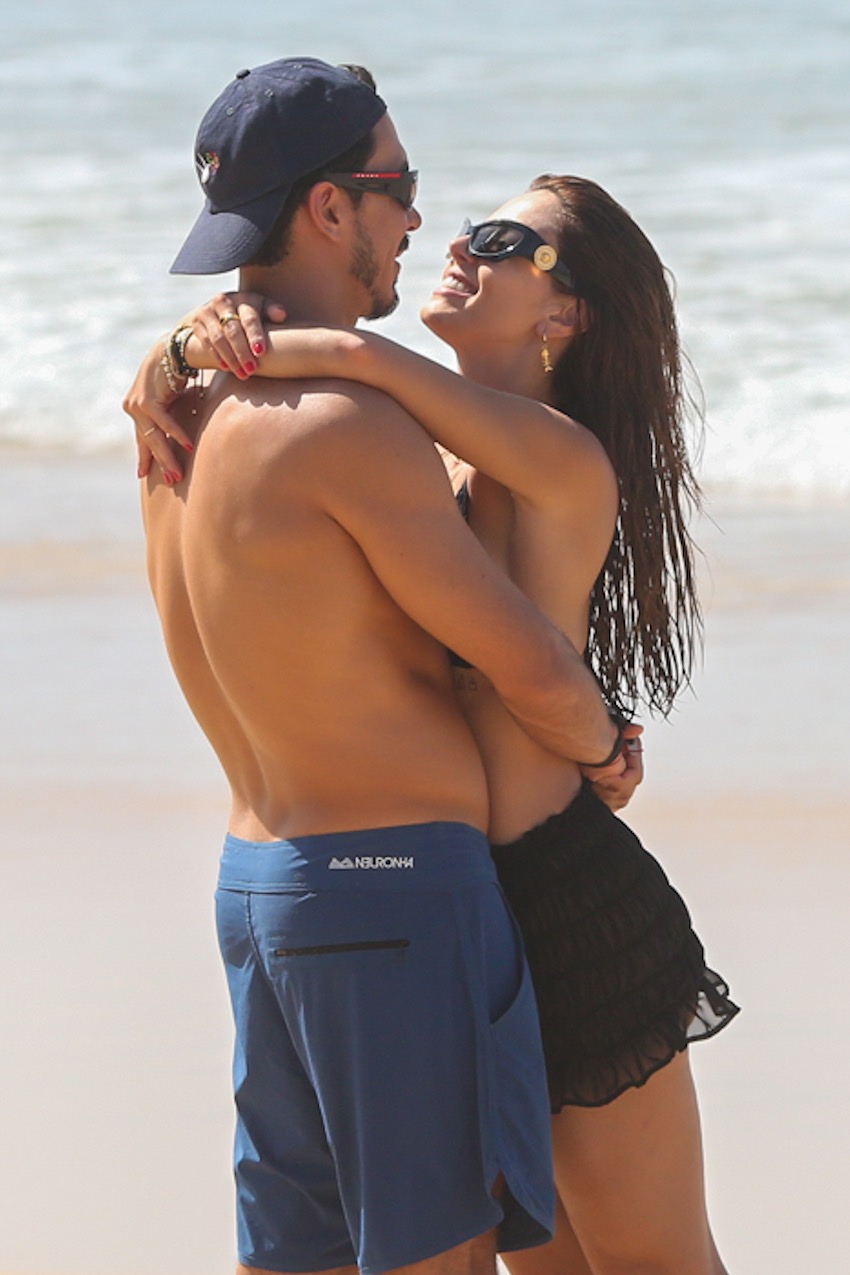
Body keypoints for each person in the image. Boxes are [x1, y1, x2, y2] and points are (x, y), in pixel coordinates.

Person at [129, 172, 740, 1273]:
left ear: (565, 313)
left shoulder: (558, 453)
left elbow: (350, 355)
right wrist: (183, 348)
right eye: (467, 228)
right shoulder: (426, 449)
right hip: (453, 900)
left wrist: (184, 350)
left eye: (503, 241)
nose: (459, 244)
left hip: (566, 898)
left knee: (655, 1262)